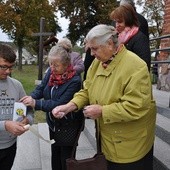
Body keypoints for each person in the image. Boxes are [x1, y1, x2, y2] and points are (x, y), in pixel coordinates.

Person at [52, 24, 156, 170]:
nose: (92, 54)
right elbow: (87, 90)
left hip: (130, 146)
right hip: (109, 141)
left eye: (94, 48)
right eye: (90, 49)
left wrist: (102, 111)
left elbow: (137, 106)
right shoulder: (98, 63)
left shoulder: (136, 66)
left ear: (110, 44)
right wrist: (70, 106)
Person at [20, 45, 84, 170]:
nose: (52, 68)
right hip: (53, 123)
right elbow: (41, 87)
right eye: (50, 64)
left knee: (65, 159)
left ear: (66, 65)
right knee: (55, 155)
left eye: (56, 65)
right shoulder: (50, 72)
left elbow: (60, 103)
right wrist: (29, 98)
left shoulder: (75, 81)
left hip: (68, 125)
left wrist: (36, 103)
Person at [0, 44, 34, 170]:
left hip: (10, 146)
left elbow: (29, 111)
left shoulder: (17, 85)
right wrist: (5, 125)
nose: (8, 71)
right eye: (4, 67)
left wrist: (26, 121)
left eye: (11, 67)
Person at [110, 4, 151, 71]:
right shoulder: (118, 38)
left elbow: (144, 65)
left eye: (119, 22)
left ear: (128, 20)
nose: (117, 25)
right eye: (116, 22)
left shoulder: (140, 38)